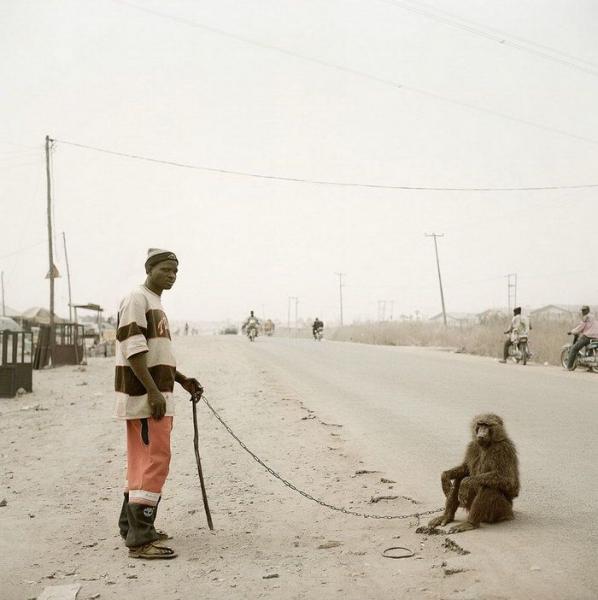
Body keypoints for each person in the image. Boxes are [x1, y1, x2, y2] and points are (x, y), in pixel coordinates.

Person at [115, 248, 203, 560]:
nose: (172, 276)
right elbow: (134, 350)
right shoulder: (137, 299)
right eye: (165, 269)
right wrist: (153, 393)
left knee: (143, 463)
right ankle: (141, 540)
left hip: (155, 396)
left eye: (175, 271)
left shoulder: (155, 303)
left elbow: (155, 354)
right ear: (149, 269)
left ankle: (132, 527)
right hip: (145, 399)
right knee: (155, 462)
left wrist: (180, 379)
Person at [566, 305, 598, 370]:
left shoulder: (586, 317)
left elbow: (580, 327)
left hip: (587, 337)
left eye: (584, 310)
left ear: (588, 310)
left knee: (574, 349)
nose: (583, 312)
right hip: (596, 337)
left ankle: (569, 367)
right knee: (589, 350)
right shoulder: (594, 317)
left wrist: (572, 332)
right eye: (582, 310)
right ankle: (590, 368)